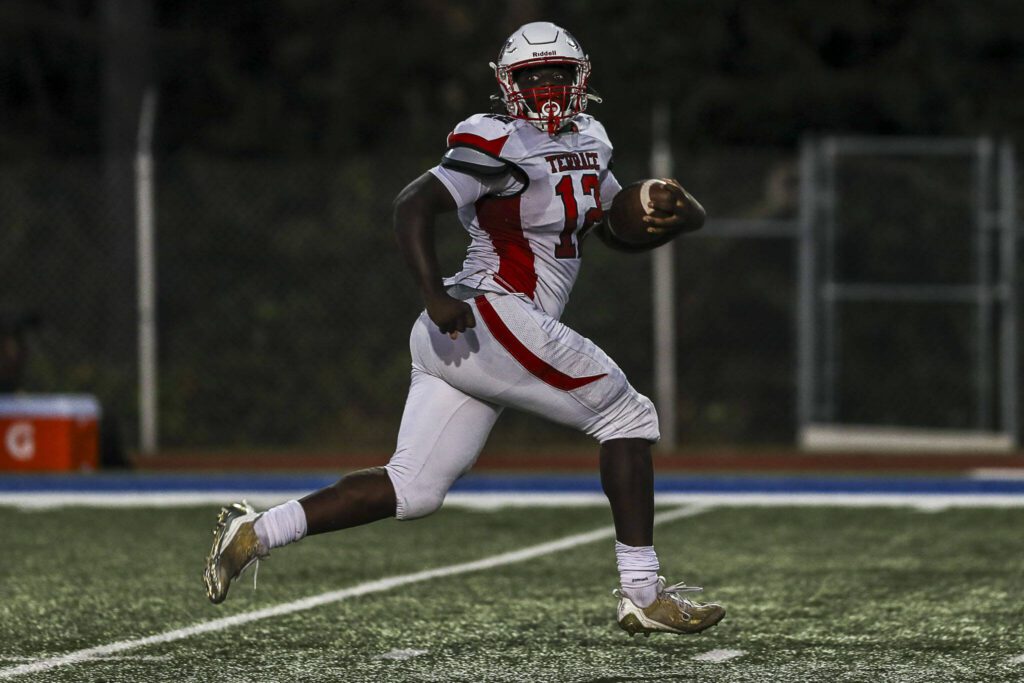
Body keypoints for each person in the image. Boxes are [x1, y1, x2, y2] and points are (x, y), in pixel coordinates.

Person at [204, 21, 724, 636]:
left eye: (558, 74)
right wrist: (433, 293)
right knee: (628, 416)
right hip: (487, 311)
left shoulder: (593, 139)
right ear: (509, 85)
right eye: (535, 77)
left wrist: (679, 210)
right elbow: (412, 205)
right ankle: (642, 592)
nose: (549, 88)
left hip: (474, 330)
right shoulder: (497, 138)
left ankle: (256, 532)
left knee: (413, 488)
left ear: (580, 79)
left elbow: (612, 225)